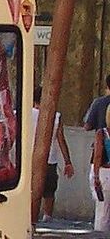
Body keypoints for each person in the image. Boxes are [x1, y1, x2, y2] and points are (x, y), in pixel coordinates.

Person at [32, 87, 74, 222]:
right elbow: (61, 140)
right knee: (49, 192)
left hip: (29, 159)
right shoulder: (56, 116)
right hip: (50, 159)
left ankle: (30, 216)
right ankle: (47, 218)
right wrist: (68, 162)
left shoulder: (23, 114)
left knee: (30, 190)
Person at [93, 115, 110, 232]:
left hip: (105, 172)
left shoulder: (102, 133)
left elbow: (98, 155)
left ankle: (100, 237)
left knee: (102, 210)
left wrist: (96, 175)